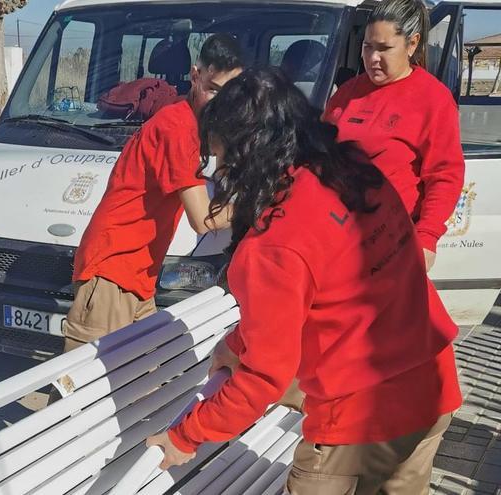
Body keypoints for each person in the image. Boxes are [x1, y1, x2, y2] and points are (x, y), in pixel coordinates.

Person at [146, 67, 461, 494]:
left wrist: (185, 437)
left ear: (250, 154)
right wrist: (237, 345)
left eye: (224, 160)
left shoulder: (274, 245)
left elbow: (264, 378)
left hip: (358, 418)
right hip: (431, 384)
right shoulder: (355, 171)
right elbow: (328, 291)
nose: (220, 174)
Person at [60, 34, 243, 352]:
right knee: (83, 393)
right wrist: (257, 209)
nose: (221, 102)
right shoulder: (177, 128)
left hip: (138, 275)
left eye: (230, 94)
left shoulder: (194, 122)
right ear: (195, 75)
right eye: (213, 89)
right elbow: (202, 220)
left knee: (143, 384)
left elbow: (223, 153)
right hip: (112, 274)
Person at [324, 0, 465, 271]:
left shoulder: (432, 99)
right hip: (336, 237)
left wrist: (426, 238)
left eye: (385, 48)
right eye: (367, 47)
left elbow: (445, 175)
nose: (373, 58)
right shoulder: (347, 93)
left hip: (392, 243)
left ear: (412, 44)